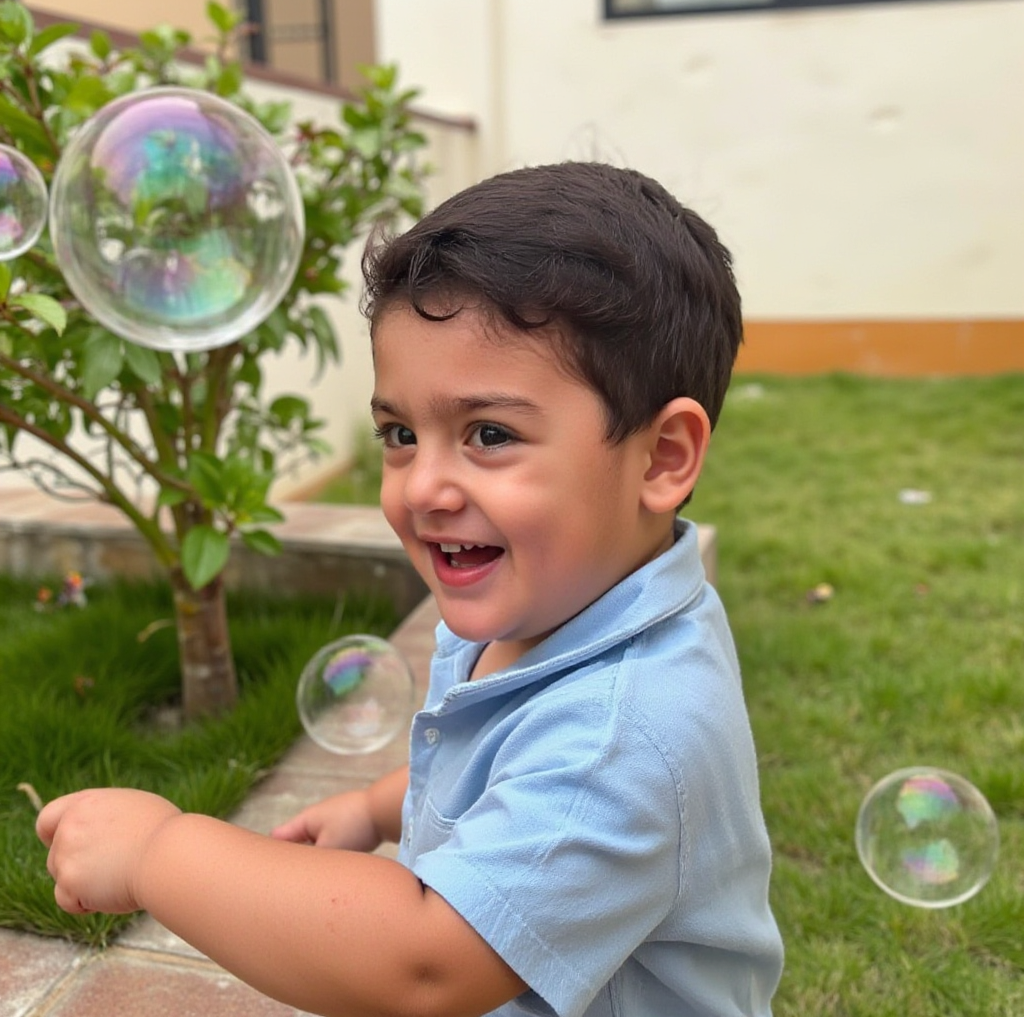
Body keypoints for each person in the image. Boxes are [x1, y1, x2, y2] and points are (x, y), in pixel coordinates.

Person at [37, 161, 783, 1017]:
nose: (422, 486)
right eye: (399, 432)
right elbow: (489, 767)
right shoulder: (551, 604)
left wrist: (159, 852)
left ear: (662, 457)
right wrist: (377, 806)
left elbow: (425, 964)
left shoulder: (624, 731)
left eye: (489, 433)